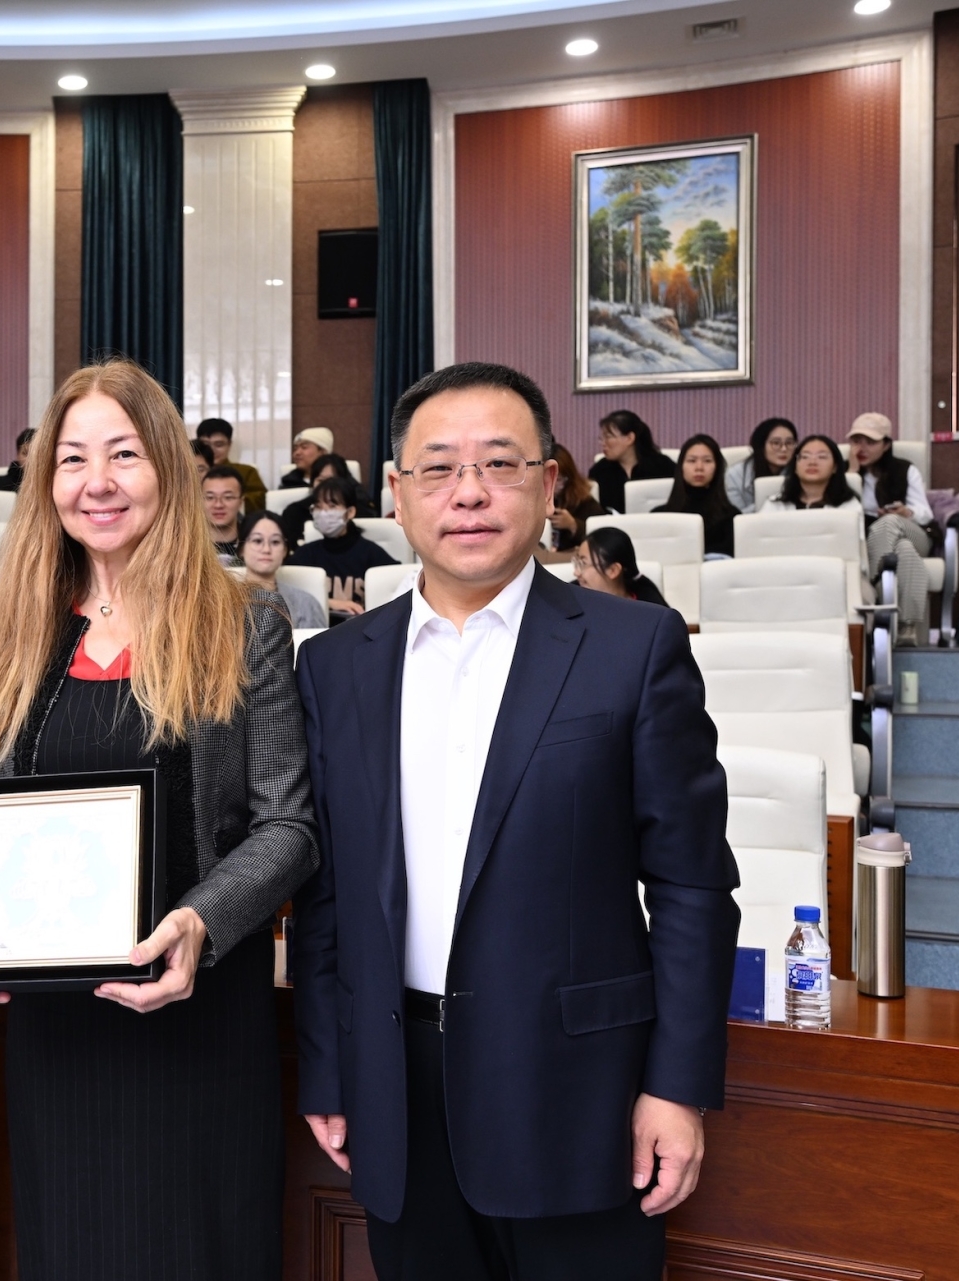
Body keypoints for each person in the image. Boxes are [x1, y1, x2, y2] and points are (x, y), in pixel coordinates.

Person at [294, 361, 739, 1281]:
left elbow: (693, 886)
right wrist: (332, 1070)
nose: (469, 493)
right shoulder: (336, 667)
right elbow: (329, 895)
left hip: (582, 1097)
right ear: (397, 491)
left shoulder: (634, 647)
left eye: (500, 464)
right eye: (439, 467)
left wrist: (678, 1087)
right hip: (398, 1092)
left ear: (548, 484)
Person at [0, 358, 317, 1281]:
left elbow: (287, 825)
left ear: (169, 470)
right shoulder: (18, 631)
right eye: (71, 459)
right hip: (59, 1034)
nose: (96, 482)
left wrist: (199, 922)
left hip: (198, 1015)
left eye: (124, 454)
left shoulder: (240, 618)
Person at [847, 412, 933, 646]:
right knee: (903, 551)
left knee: (890, 524)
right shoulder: (843, 473)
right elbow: (842, 513)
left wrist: (907, 512)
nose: (861, 448)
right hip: (870, 542)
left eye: (870, 442)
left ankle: (876, 583)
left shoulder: (905, 469)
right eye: (856, 441)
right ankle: (907, 626)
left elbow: (926, 515)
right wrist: (852, 475)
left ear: (885, 445)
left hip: (913, 532)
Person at [287, 473, 398, 622]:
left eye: (332, 506)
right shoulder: (304, 555)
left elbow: (397, 589)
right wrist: (329, 603)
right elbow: (286, 594)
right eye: (319, 507)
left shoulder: (371, 554)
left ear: (350, 512)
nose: (324, 513)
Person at [655, 433, 739, 558]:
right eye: (692, 461)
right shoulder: (659, 516)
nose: (699, 467)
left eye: (707, 461)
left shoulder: (732, 517)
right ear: (681, 467)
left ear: (717, 468)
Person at [240, 510, 327, 630]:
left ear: (285, 550)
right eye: (257, 541)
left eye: (275, 542)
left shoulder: (306, 604)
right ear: (241, 548)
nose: (266, 549)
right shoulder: (223, 602)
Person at [588, 409, 676, 515]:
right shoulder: (599, 470)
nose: (603, 443)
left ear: (629, 438)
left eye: (608, 437)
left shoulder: (663, 466)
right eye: (601, 438)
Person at [573, 526, 670, 607]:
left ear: (613, 570)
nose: (576, 573)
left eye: (583, 564)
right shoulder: (571, 597)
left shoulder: (649, 607)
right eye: (577, 563)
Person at [280, 452, 359, 546]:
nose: (325, 486)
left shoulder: (354, 511)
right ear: (312, 483)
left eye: (331, 480)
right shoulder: (294, 512)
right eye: (320, 481)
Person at [763, 435, 856, 511]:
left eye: (822, 457)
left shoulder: (848, 506)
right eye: (805, 457)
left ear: (835, 467)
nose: (812, 462)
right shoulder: (775, 505)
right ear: (795, 467)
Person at [196, 417, 266, 512]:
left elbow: (260, 499)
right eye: (206, 445)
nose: (212, 450)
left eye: (219, 445)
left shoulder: (247, 472)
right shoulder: (190, 472)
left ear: (229, 445)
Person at [728, 418, 797, 513]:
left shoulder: (799, 471)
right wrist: (770, 506)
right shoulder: (734, 476)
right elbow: (736, 516)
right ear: (761, 445)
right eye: (776, 443)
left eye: (789, 443)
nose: (784, 449)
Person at [547, 443, 606, 552]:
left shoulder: (583, 501)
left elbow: (603, 538)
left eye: (558, 480)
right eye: (547, 479)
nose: (552, 486)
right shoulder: (530, 500)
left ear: (569, 478)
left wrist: (573, 525)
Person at [203, 464, 246, 563]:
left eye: (228, 497)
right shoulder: (187, 543)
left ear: (241, 502)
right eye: (210, 497)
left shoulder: (254, 544)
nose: (218, 505)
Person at [0, 427, 36, 492]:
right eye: (25, 453)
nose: (30, 459)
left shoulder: (50, 486)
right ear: (17, 455)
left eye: (36, 454)